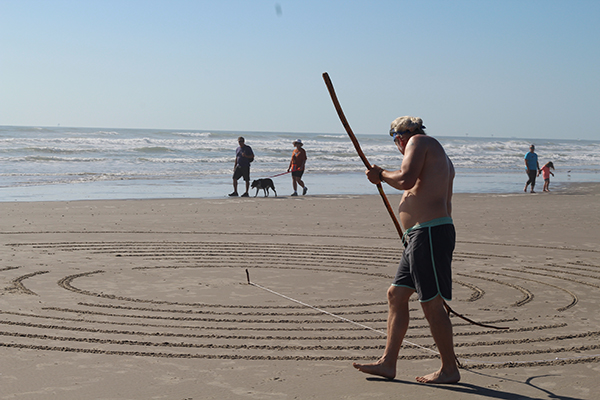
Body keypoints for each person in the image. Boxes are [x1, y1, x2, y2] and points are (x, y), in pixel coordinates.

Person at [353, 116, 460, 384]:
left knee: (431, 302)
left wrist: (380, 175)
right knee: (396, 294)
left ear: (399, 136)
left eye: (394, 140)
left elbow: (406, 180)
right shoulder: (437, 153)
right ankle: (388, 363)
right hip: (421, 235)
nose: (397, 145)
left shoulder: (418, 141)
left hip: (430, 233)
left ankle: (449, 369)